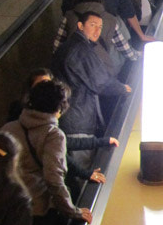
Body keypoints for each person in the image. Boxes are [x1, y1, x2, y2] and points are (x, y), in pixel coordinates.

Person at [3, 80, 93, 225]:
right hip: (38, 211)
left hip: (8, 209)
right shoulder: (53, 135)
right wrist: (72, 211)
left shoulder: (9, 128)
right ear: (60, 107)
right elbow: (54, 178)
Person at [52, 10, 132, 140]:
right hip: (78, 120)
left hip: (66, 116)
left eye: (100, 27)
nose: (97, 31)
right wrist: (123, 88)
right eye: (92, 25)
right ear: (80, 26)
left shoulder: (65, 47)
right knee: (82, 156)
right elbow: (101, 82)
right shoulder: (81, 50)